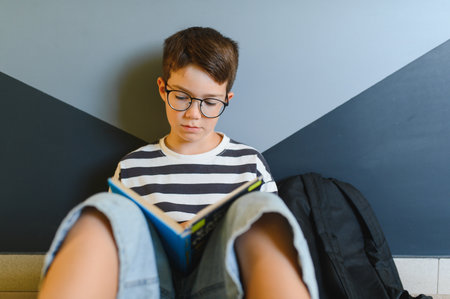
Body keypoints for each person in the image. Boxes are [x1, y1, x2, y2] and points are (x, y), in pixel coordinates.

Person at [38, 27, 318, 299]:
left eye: (210, 102)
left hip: (221, 282)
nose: (193, 114)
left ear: (226, 99)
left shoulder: (249, 162)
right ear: (163, 89)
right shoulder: (133, 166)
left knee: (260, 209)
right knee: (106, 209)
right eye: (182, 97)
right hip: (152, 283)